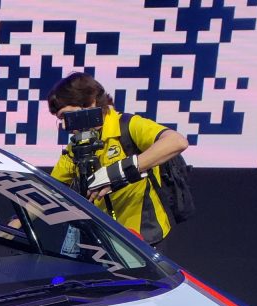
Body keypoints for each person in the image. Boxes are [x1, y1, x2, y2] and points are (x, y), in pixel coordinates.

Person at [46, 72, 188, 246]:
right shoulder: (76, 146)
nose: (64, 126)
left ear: (90, 103)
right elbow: (49, 190)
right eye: (60, 120)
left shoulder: (128, 125)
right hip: (105, 242)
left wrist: (120, 171)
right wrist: (17, 224)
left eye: (66, 116)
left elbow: (177, 142)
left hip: (145, 238)